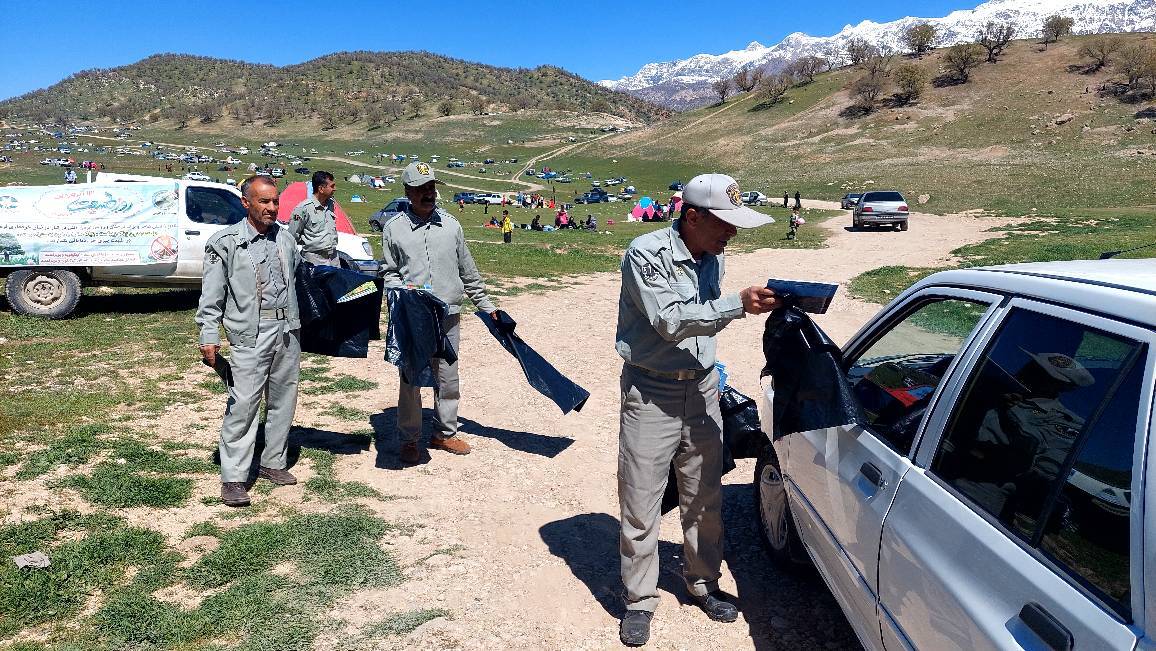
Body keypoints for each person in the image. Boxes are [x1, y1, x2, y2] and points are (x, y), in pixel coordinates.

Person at [615, 173, 779, 646]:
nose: (732, 232)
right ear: (692, 216)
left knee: (704, 495)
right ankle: (640, 600)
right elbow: (670, 320)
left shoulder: (714, 256)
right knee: (642, 501)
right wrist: (737, 305)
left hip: (702, 390)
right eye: (724, 223)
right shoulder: (646, 254)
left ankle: (703, 583)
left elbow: (703, 320)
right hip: (652, 392)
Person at [380, 162, 499, 464]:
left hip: (448, 314)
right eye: (422, 189)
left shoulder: (452, 225)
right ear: (408, 192)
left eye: (431, 187)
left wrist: (487, 306)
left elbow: (468, 271)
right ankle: (409, 439)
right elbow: (390, 272)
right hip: (413, 316)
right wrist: (400, 294)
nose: (429, 194)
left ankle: (444, 433)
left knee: (448, 376)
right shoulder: (394, 228)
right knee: (411, 378)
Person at [196, 175, 301, 507]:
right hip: (249, 336)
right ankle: (234, 478)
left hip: (287, 331)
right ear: (246, 203)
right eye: (264, 202)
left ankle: (273, 461)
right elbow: (211, 297)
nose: (271, 208)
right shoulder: (225, 243)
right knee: (243, 405)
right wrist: (209, 335)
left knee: (284, 399)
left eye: (275, 201)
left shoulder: (285, 240)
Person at [287, 171, 339, 266]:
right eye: (332, 186)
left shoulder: (331, 204)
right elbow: (291, 236)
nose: (335, 189)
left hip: (333, 257)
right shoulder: (303, 208)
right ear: (321, 189)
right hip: (314, 259)